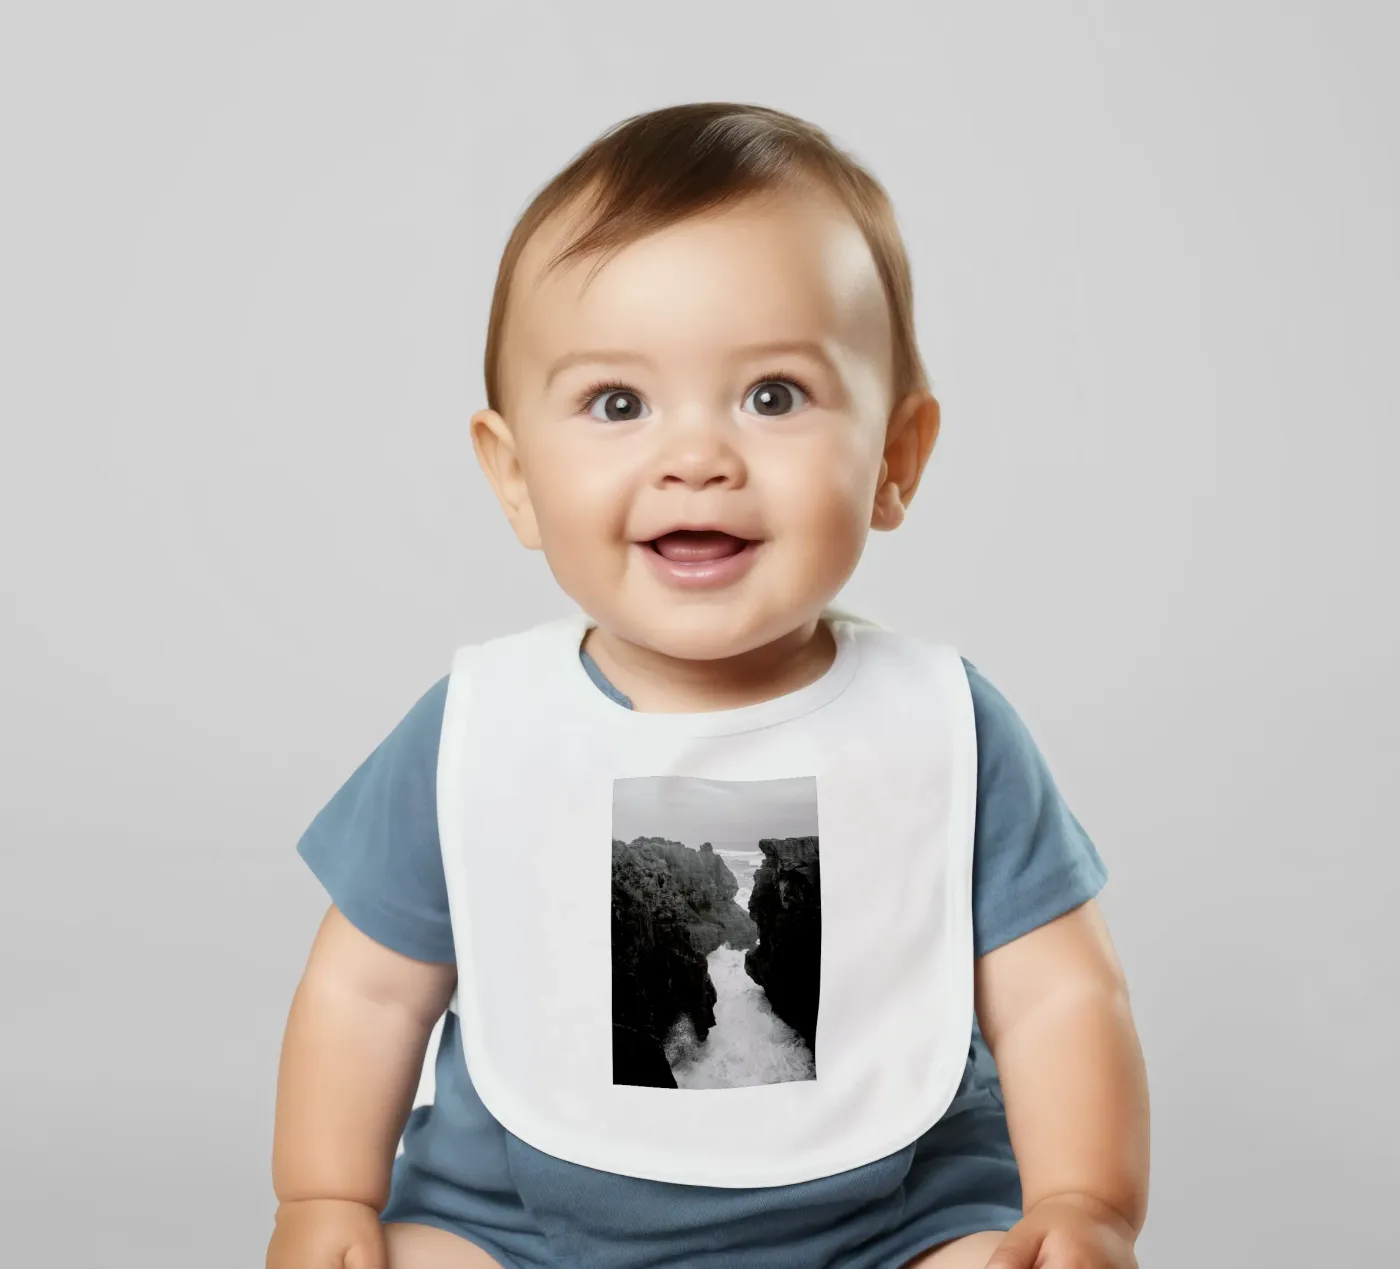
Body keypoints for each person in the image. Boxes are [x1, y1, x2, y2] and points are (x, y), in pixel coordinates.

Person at [267, 102, 1150, 1269]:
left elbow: (1054, 996)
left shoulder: (947, 726)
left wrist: (1087, 1203)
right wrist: (324, 1198)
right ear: (515, 475)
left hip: (891, 1226)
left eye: (772, 396)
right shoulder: (478, 729)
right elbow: (368, 993)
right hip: (518, 1228)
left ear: (894, 457)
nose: (697, 456)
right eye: (618, 404)